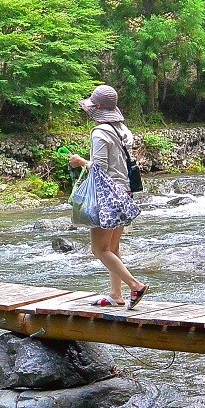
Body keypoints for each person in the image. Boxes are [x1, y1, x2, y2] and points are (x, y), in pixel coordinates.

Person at [69, 85, 149, 310]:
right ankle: (116, 295)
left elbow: (100, 168)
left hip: (106, 195)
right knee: (112, 248)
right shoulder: (123, 130)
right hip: (124, 192)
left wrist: (80, 161)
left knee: (99, 250)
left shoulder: (99, 133)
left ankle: (135, 285)